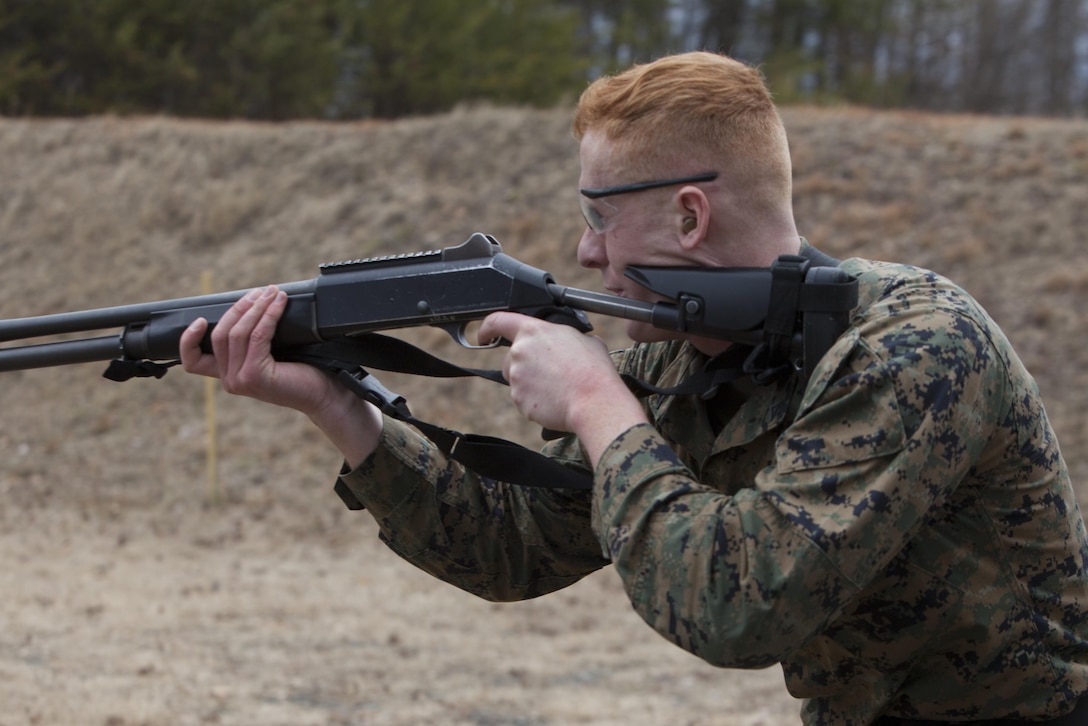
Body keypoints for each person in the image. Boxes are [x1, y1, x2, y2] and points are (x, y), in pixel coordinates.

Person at [179, 51, 1088, 725]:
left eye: (599, 216)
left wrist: (597, 405)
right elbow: (513, 546)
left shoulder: (915, 347)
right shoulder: (681, 351)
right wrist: (339, 405)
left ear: (690, 215)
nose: (585, 252)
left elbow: (741, 606)